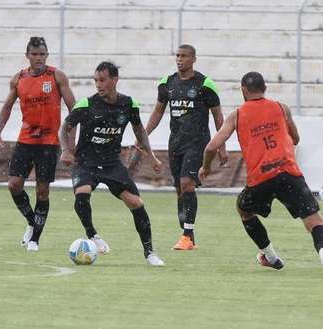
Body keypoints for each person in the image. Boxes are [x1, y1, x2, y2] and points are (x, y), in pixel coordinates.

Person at [199, 71, 323, 269]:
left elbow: (211, 147)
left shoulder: (237, 115)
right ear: (264, 88)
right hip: (288, 173)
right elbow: (296, 139)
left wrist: (205, 167)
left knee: (244, 210)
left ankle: (270, 257)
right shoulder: (281, 108)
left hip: (261, 178)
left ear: (243, 90)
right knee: (312, 218)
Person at [60, 61, 165, 266]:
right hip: (86, 162)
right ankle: (93, 235)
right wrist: (65, 150)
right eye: (96, 81)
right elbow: (64, 128)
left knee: (136, 204)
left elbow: (139, 131)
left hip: (111, 163)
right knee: (82, 194)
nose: (98, 85)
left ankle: (150, 253)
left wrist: (151, 156)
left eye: (103, 80)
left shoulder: (128, 104)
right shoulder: (86, 104)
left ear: (115, 80)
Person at [134, 44, 228, 250]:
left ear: (193, 59)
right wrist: (143, 136)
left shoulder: (205, 84)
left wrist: (221, 147)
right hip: (175, 143)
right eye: (177, 56)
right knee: (179, 189)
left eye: (184, 56)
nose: (179, 59)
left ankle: (186, 235)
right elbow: (158, 112)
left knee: (187, 184)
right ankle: (188, 232)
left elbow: (218, 116)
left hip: (198, 142)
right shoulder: (167, 83)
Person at [0, 37, 76, 252]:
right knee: (14, 185)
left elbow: (74, 111)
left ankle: (34, 240)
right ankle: (32, 221)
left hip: (49, 143)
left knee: (42, 191)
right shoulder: (18, 78)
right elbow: (7, 107)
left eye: (42, 54)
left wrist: (70, 145)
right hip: (26, 140)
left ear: (47, 55)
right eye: (35, 54)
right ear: (27, 55)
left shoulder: (57, 76)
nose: (38, 58)